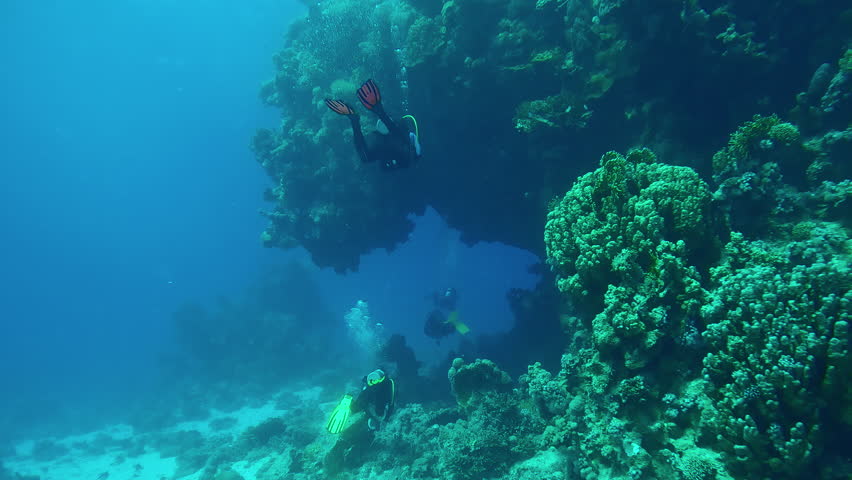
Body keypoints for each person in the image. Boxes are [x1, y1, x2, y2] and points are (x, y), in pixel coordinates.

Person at [325, 79, 422, 171]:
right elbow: (412, 140)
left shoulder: (405, 156)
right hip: (392, 137)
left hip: (385, 141)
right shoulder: (409, 153)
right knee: (397, 139)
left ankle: (356, 118)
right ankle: (376, 109)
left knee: (366, 157)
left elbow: (384, 167)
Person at [324, 368, 397, 473]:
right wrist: (385, 419)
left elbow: (361, 407)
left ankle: (349, 403)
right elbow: (390, 405)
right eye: (372, 381)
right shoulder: (386, 385)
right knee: (367, 424)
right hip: (370, 411)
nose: (374, 383)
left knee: (364, 419)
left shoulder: (382, 386)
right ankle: (349, 403)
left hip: (369, 411)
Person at [326, 368, 396, 435]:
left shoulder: (389, 383)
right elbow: (391, 404)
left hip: (374, 394)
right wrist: (385, 420)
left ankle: (349, 399)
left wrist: (385, 419)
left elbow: (391, 403)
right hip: (370, 394)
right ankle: (348, 400)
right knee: (358, 408)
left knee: (374, 411)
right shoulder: (385, 384)